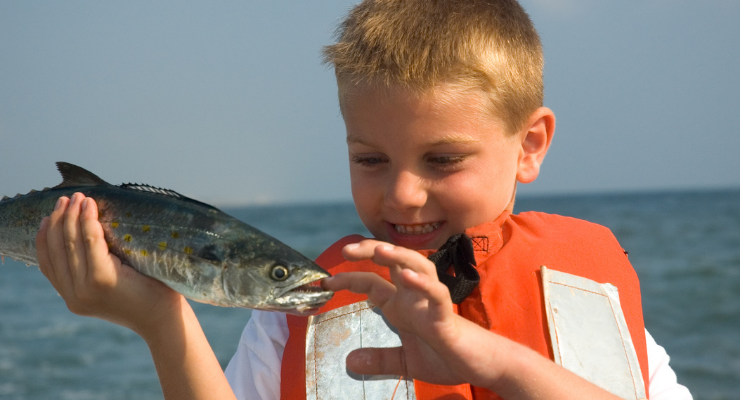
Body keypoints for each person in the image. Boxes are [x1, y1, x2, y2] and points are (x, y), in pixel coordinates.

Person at [36, 0, 692, 399]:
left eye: (443, 159)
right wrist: (161, 320)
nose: (402, 194)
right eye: (369, 160)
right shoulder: (298, 310)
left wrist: (490, 358)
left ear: (530, 144)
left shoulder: (585, 294)